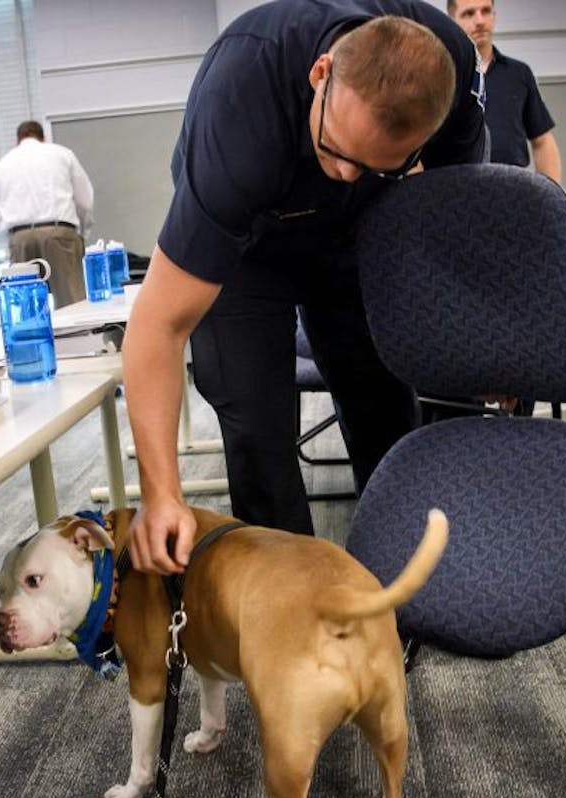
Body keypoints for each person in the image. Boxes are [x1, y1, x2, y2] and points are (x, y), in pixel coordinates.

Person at [120, 2, 485, 575]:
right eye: (337, 149)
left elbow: (450, 216)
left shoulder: (452, 63)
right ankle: (291, 606)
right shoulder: (242, 109)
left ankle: (408, 578)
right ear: (320, 74)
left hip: (355, 233)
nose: (343, 172)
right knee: (257, 427)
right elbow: (158, 326)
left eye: (374, 163)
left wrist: (475, 349)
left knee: (382, 397)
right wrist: (161, 493)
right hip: (249, 248)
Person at [449, 0, 561, 183]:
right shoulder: (443, 77)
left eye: (486, 11)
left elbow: (542, 141)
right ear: (452, 21)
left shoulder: (519, 74)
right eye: (468, 14)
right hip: (459, 189)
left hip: (512, 190)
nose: (480, 20)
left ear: (494, 16)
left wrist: (552, 196)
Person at [0, 120, 95, 309]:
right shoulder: (62, 155)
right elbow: (84, 200)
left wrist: (15, 238)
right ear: (43, 138)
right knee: (73, 306)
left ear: (17, 141)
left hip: (20, 237)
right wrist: (81, 234)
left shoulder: (1, 166)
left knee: (27, 310)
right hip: (59, 232)